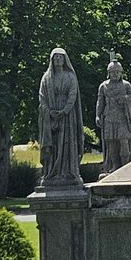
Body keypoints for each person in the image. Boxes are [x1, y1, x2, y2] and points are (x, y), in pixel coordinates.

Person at [38, 47, 84, 187]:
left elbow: (72, 95)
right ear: (52, 59)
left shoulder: (70, 76)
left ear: (65, 60)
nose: (58, 59)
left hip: (67, 116)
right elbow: (42, 97)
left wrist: (64, 110)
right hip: (50, 116)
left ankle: (68, 172)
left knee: (67, 143)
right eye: (55, 57)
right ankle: (51, 173)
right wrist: (49, 112)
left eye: (60, 57)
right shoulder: (46, 78)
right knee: (54, 144)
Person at [97, 60, 131, 176]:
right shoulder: (103, 86)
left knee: (124, 142)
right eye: (112, 72)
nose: (115, 74)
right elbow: (100, 102)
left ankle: (126, 165)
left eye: (117, 72)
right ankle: (114, 166)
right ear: (108, 73)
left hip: (123, 118)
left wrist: (125, 99)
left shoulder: (126, 85)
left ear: (121, 73)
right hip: (109, 117)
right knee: (111, 144)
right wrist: (97, 115)